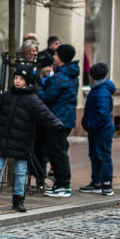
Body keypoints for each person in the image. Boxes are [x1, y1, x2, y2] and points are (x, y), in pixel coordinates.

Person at [0, 66, 64, 213]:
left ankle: (18, 200)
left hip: (23, 142)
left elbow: (46, 114)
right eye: (16, 78)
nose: (18, 81)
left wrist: (57, 125)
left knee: (20, 172)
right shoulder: (7, 96)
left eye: (21, 79)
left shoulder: (33, 99)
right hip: (5, 140)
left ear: (27, 81)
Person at [41, 44, 80, 198]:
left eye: (56, 55)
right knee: (57, 151)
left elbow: (47, 97)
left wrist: (38, 89)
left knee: (57, 152)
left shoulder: (60, 77)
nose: (54, 57)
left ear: (62, 58)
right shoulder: (68, 74)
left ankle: (63, 185)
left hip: (59, 119)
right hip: (65, 118)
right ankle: (60, 184)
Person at [80, 62, 115, 196]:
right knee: (95, 156)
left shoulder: (101, 91)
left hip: (101, 130)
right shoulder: (98, 88)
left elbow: (102, 113)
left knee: (103, 156)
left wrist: (90, 125)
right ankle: (96, 183)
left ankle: (106, 184)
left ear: (92, 76)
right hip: (97, 129)